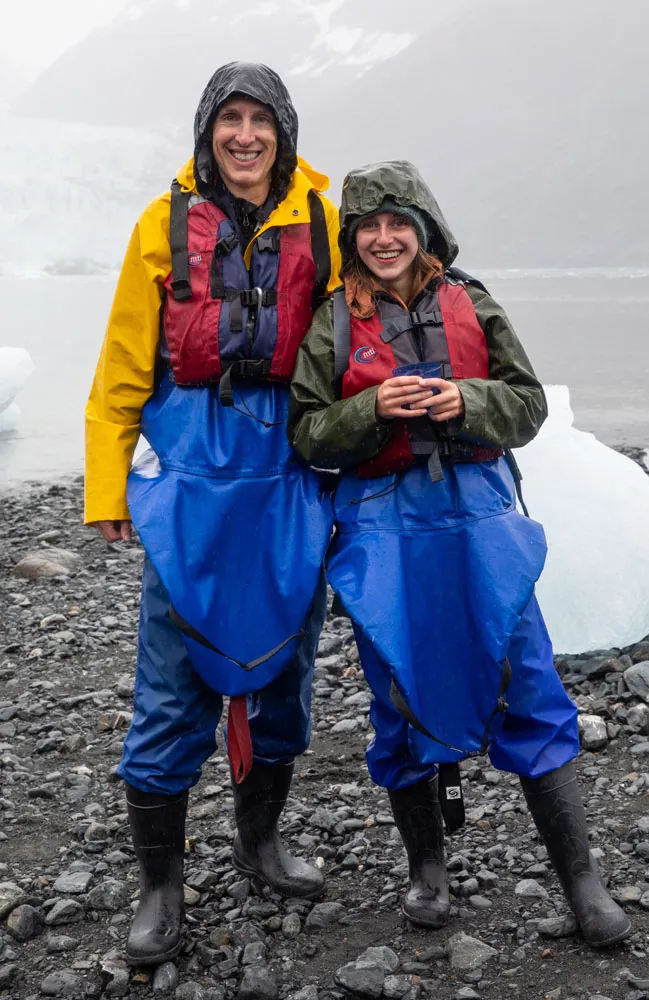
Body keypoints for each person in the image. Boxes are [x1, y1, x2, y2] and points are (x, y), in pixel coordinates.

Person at [288, 160, 631, 948]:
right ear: (351, 238)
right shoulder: (333, 319)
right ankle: (427, 870)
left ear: (424, 228)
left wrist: (466, 400)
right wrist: (370, 408)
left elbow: (528, 404)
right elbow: (307, 430)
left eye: (397, 223)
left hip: (477, 515)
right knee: (397, 686)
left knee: (527, 678)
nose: (383, 238)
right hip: (380, 523)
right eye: (368, 227)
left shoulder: (469, 302)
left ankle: (582, 883)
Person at [84, 63, 341, 966]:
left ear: (282, 130)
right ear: (208, 128)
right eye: (228, 119)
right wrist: (108, 488)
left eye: (258, 120)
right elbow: (123, 361)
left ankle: (259, 841)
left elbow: (362, 338)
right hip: (192, 464)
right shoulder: (162, 223)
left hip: (286, 468)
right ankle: (161, 885)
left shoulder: (322, 220)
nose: (243, 135)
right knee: (171, 676)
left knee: (286, 662)